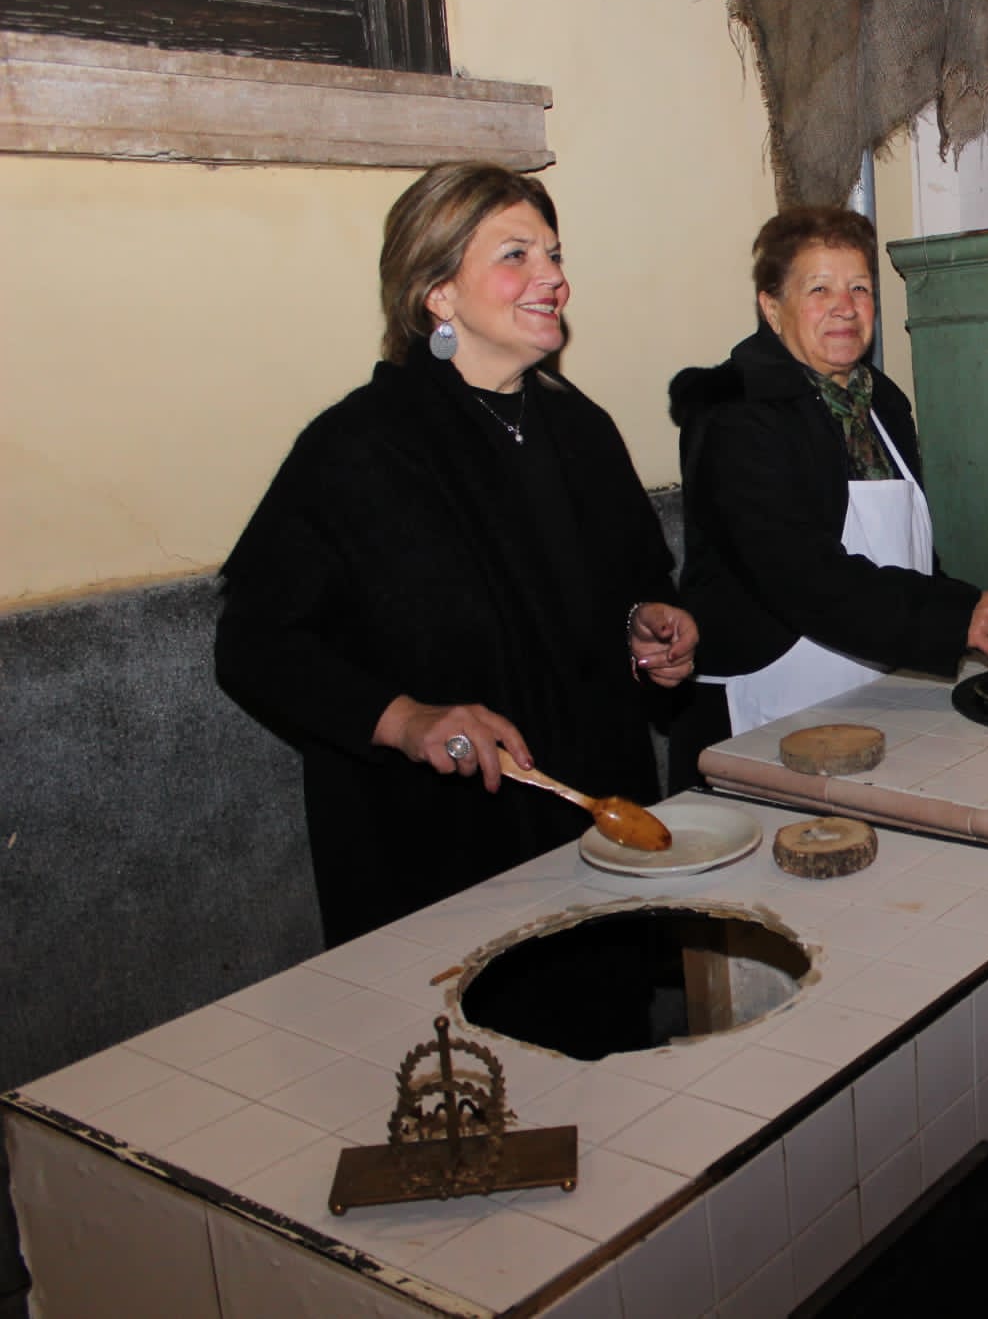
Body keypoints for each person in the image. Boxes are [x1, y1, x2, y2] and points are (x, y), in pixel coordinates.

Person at [216, 162, 698, 948]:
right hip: (439, 858)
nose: (553, 278)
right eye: (516, 256)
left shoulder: (582, 430)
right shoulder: (357, 447)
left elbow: (629, 585)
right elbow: (255, 644)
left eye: (555, 255)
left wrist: (645, 627)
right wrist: (406, 718)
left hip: (591, 837)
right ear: (437, 293)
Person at [668, 207, 988, 788]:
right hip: (767, 701)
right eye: (819, 289)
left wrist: (963, 606)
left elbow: (910, 555)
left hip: (876, 685)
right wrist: (951, 615)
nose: (845, 306)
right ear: (771, 308)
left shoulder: (881, 402)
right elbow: (799, 574)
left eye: (860, 288)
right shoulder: (737, 415)